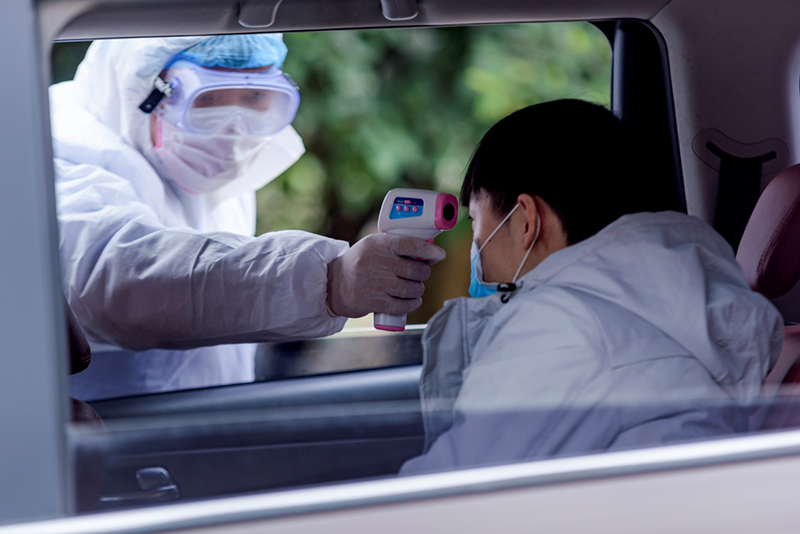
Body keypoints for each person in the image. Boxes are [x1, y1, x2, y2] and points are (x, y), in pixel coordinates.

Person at [51, 35, 444, 400]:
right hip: (98, 452)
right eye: (208, 99)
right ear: (146, 91)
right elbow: (119, 279)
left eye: (256, 96)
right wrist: (328, 280)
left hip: (188, 433)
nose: (234, 130)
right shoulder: (59, 143)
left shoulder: (203, 173)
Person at [401, 99, 783, 473]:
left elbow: (450, 495)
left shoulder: (561, 329)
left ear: (526, 220)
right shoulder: (667, 308)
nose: (476, 247)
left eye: (476, 222)